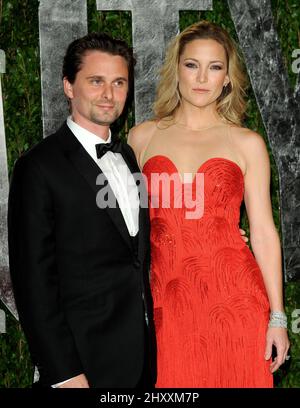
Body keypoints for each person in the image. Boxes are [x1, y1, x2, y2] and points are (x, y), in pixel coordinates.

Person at [128, 21, 290, 388]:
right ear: (176, 71)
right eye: (192, 65)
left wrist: (278, 317)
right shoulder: (142, 138)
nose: (202, 77)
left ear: (227, 78)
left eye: (215, 67)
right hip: (167, 305)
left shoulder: (246, 143)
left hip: (236, 303)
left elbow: (263, 232)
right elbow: (124, 226)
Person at [7, 32, 156, 388]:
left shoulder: (129, 157)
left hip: (141, 361)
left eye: (119, 82)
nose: (109, 94)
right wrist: (63, 373)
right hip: (81, 366)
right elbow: (33, 284)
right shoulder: (39, 167)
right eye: (96, 81)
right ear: (69, 87)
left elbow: (134, 250)